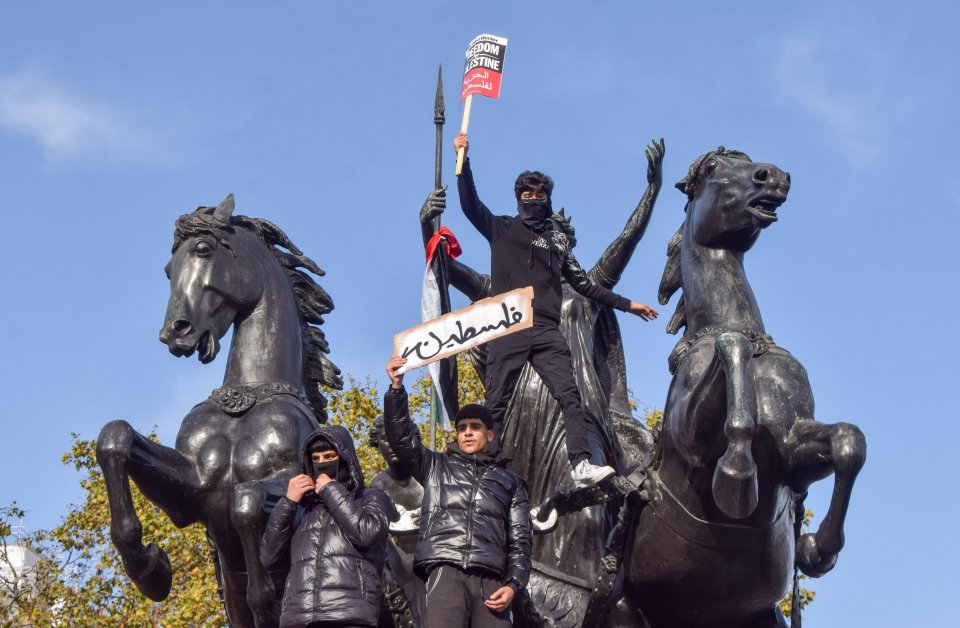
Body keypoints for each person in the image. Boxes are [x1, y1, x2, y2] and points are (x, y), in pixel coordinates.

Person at [453, 131, 658, 487]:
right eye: (526, 195)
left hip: (547, 329)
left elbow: (584, 284)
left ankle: (580, 464)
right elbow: (471, 205)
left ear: (547, 199)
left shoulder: (557, 241)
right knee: (496, 402)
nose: (532, 200)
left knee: (570, 395)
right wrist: (463, 162)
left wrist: (628, 305)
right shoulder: (501, 229)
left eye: (539, 195)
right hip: (510, 323)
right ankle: (481, 470)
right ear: (518, 198)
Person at [383, 355, 532, 628]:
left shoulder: (511, 482)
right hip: (445, 572)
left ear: (489, 434)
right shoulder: (435, 465)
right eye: (462, 428)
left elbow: (521, 541)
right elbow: (401, 439)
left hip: (492, 581)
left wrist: (514, 584)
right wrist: (396, 389)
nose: (467, 433)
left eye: (475, 427)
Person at [260, 425, 390, 628]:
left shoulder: (370, 497)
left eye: (329, 456)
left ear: (346, 459)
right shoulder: (302, 508)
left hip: (348, 615)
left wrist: (331, 490)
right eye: (315, 459)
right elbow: (268, 556)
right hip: (299, 618)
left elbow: (367, 534)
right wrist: (287, 502)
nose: (321, 463)